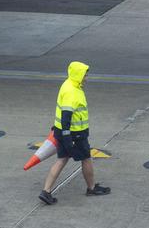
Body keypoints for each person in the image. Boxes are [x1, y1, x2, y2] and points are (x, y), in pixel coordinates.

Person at [39, 61, 110, 205]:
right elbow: (66, 117)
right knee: (86, 158)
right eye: (85, 75)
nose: (86, 78)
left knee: (62, 160)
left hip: (62, 132)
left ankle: (46, 191)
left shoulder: (68, 84)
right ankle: (91, 188)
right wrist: (68, 140)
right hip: (75, 134)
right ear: (78, 75)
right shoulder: (72, 92)